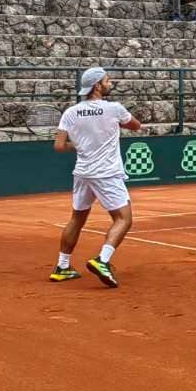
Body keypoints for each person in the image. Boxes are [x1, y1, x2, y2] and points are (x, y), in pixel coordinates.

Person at [53, 67, 142, 286]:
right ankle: (103, 260)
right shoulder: (114, 109)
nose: (110, 84)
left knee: (77, 218)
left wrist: (82, 145)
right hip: (107, 173)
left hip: (83, 173)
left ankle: (62, 266)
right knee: (124, 218)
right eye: (107, 81)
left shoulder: (71, 112)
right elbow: (136, 126)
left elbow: (59, 146)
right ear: (97, 86)